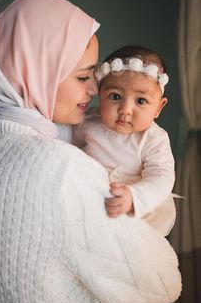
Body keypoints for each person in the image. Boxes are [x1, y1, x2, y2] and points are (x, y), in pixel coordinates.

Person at [0, 0, 181, 303]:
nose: (95, 90)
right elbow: (164, 283)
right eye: (83, 76)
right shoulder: (60, 168)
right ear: (36, 73)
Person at [74, 45, 176, 236]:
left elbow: (162, 177)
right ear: (100, 94)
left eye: (141, 101)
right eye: (115, 96)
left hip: (131, 202)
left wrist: (134, 197)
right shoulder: (88, 122)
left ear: (158, 108)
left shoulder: (153, 138)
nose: (125, 110)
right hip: (90, 196)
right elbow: (63, 144)